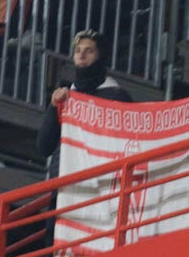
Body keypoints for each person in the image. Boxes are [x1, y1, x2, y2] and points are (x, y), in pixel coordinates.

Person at [36, 30, 134, 177]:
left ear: (100, 56)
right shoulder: (64, 97)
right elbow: (44, 147)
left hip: (99, 184)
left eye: (89, 51)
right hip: (62, 185)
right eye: (77, 51)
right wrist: (54, 107)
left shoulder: (117, 96)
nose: (81, 55)